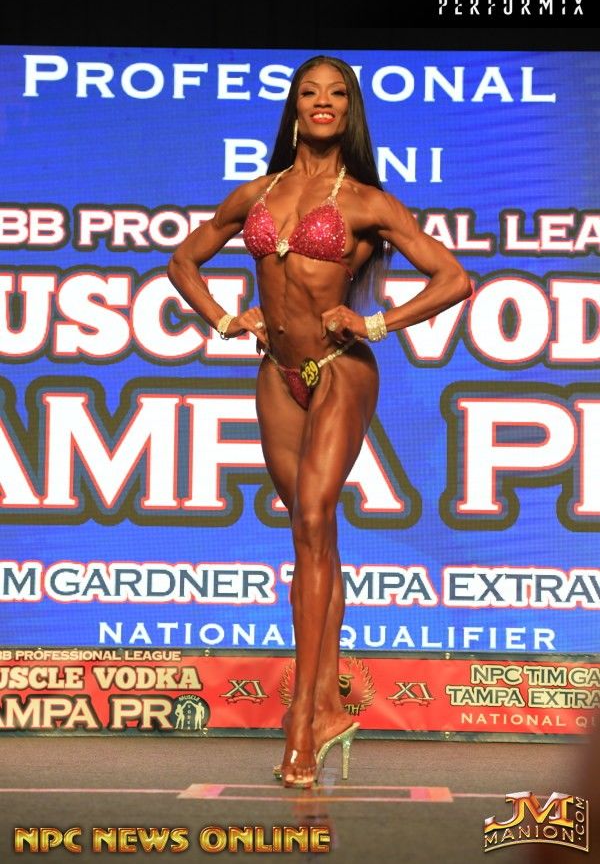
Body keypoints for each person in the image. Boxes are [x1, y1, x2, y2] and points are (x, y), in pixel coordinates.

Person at [167, 54, 472, 789]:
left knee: (312, 519)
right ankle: (332, 705)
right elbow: (183, 261)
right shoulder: (258, 192)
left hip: (340, 370)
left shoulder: (367, 202)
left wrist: (376, 322)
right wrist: (225, 319)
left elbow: (455, 278)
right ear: (295, 108)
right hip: (277, 373)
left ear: (350, 110)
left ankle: (301, 721)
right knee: (312, 541)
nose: (323, 102)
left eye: (337, 93)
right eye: (310, 92)